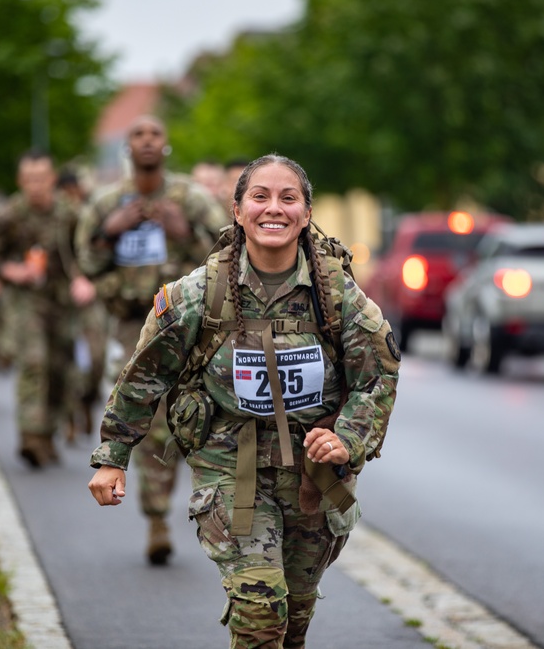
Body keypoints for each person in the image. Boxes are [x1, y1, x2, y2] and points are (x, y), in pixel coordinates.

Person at [88, 154, 401, 647]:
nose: (273, 209)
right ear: (237, 210)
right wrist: (113, 458)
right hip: (229, 467)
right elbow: (143, 376)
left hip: (313, 476)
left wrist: (347, 439)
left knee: (294, 618)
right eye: (260, 196)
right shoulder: (198, 295)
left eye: (288, 198)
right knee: (261, 610)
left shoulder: (337, 296)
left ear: (305, 212)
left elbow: (377, 377)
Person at [75, 115, 230, 565]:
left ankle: (224, 517)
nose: (147, 141)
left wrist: (186, 232)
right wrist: (113, 230)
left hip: (197, 327)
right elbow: (85, 260)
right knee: (156, 419)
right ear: (128, 146)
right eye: (138, 135)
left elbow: (229, 250)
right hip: (135, 328)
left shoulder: (191, 198)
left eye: (155, 134)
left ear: (165, 145)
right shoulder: (107, 202)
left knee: (207, 414)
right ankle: (158, 518)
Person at [0, 149, 96, 468]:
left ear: (52, 180)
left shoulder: (70, 213)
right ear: (20, 181)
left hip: (62, 299)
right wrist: (11, 272)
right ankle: (30, 435)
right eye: (29, 179)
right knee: (34, 361)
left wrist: (83, 279)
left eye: (41, 178)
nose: (35, 185)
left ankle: (48, 432)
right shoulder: (8, 216)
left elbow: (87, 252)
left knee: (61, 369)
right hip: (26, 300)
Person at [57, 167, 108, 443]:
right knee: (67, 362)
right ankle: (69, 420)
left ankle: (88, 402)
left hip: (92, 297)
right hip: (61, 300)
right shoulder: (55, 221)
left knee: (97, 359)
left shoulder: (95, 214)